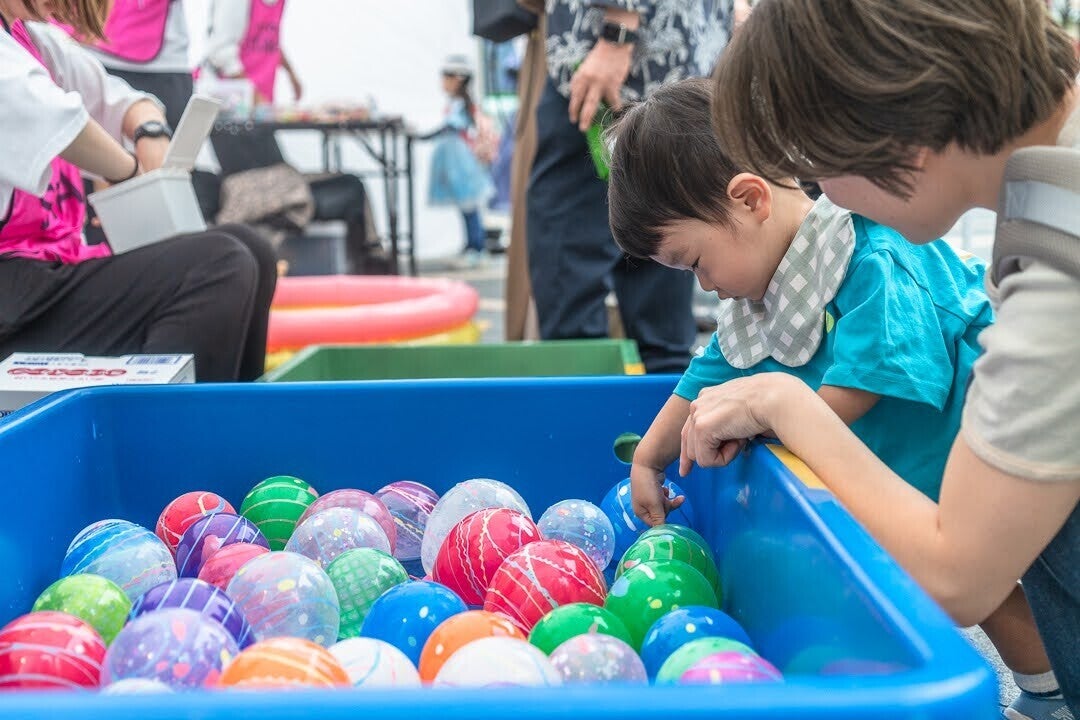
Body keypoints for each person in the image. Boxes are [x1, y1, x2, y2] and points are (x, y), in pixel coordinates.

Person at [610, 77, 1063, 719]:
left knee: (1017, 576)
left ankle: (1052, 689)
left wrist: (773, 417)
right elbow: (706, 372)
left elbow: (873, 375)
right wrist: (648, 458)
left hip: (991, 447)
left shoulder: (867, 250)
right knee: (967, 587)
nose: (704, 285)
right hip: (911, 470)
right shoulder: (758, 293)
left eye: (696, 262)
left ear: (749, 199)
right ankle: (1050, 685)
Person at [0, 0, 275, 383]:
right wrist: (130, 173)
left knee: (253, 249)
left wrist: (150, 131)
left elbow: (121, 99)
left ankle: (227, 415)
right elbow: (63, 125)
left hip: (43, 282)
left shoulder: (36, 41)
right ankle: (157, 419)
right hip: (13, 300)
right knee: (219, 266)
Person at [526, 0, 732, 373]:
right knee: (665, 278)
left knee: (575, 293)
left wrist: (618, 30)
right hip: (680, 57)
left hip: (614, 61)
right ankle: (665, 398)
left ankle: (590, 397)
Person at [203, 0, 389, 275]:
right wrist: (256, 96)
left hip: (257, 115)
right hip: (232, 115)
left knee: (281, 187)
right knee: (261, 194)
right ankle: (251, 265)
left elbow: (267, 41)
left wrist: (289, 72)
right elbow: (221, 52)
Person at [424, 55, 494, 267]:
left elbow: (451, 126)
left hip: (461, 162)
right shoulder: (456, 104)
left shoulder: (462, 105)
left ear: (458, 79)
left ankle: (477, 247)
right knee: (465, 207)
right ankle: (471, 245)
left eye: (446, 76)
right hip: (454, 160)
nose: (443, 82)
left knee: (469, 205)